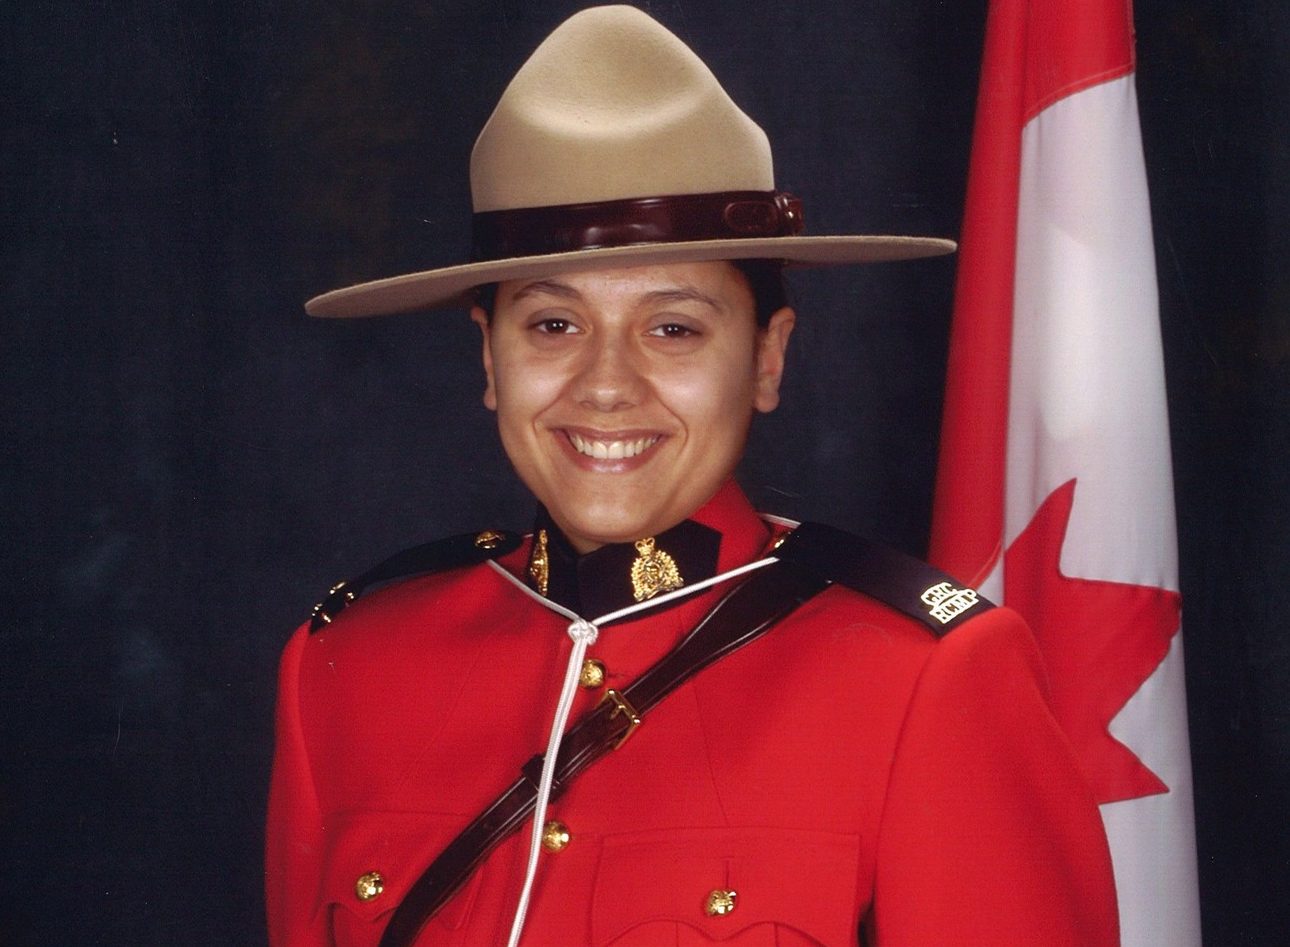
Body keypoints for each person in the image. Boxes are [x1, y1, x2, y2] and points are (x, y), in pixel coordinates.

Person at [266, 6, 1119, 946]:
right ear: (488, 356)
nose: (604, 384)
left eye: (673, 327)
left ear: (766, 359)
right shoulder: (350, 670)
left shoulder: (926, 683)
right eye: (553, 324)